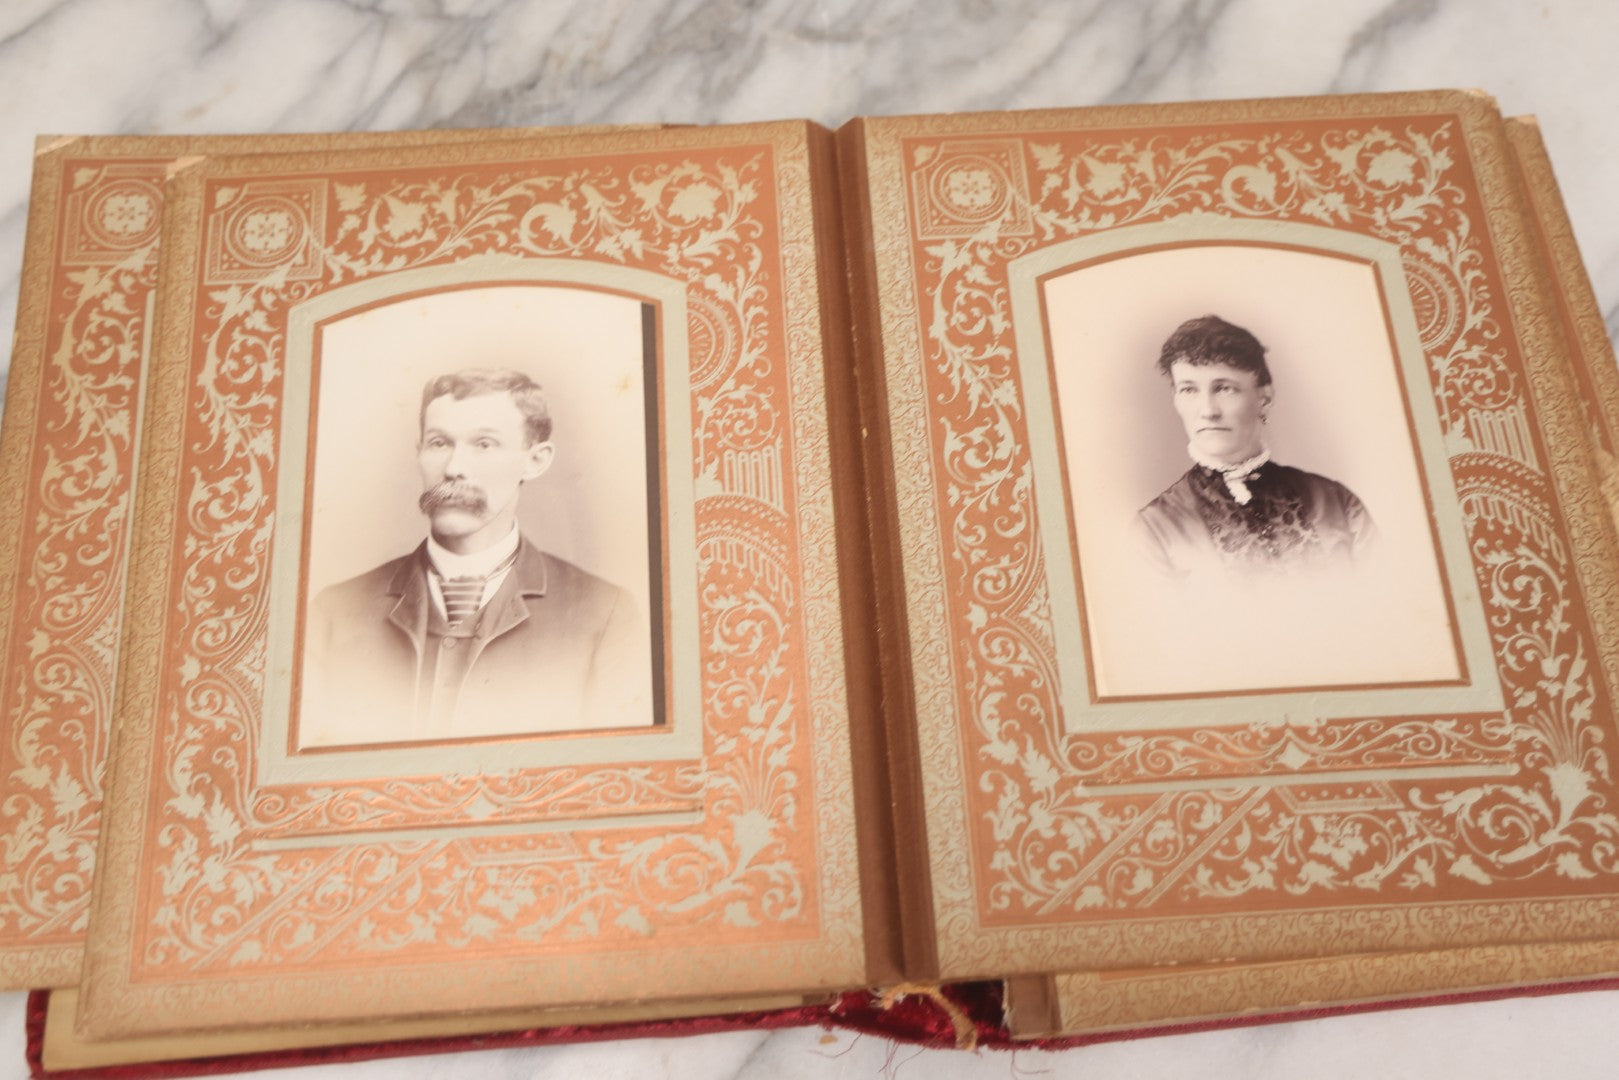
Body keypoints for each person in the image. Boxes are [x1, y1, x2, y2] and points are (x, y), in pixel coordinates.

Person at [298, 368, 650, 747]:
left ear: (535, 460)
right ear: (418, 453)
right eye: (439, 443)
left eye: (484, 444)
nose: (453, 468)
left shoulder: (604, 614)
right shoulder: (333, 613)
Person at [1137, 315, 1374, 578]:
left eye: (1224, 388)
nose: (1207, 411)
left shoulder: (1337, 503)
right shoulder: (1155, 529)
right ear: (1176, 400)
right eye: (1189, 390)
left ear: (1264, 397)